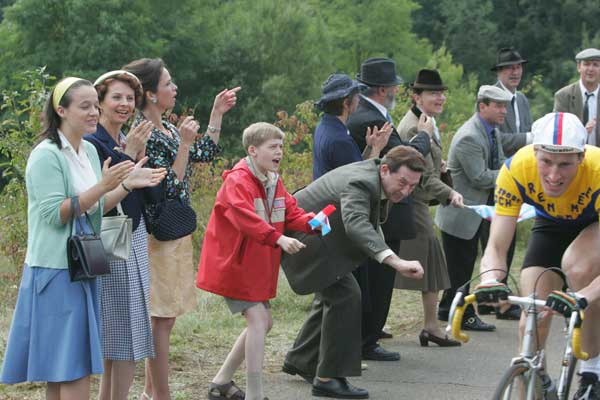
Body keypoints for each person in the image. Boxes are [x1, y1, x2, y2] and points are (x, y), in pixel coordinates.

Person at [0, 77, 165, 399]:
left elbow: (96, 208)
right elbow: (55, 214)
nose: (93, 112)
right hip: (55, 271)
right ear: (61, 110)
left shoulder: (88, 150)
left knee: (64, 367)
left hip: (84, 267)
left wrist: (128, 185)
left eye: (94, 105)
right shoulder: (46, 155)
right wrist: (102, 186)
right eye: (85, 106)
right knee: (71, 366)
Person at [123, 58, 240, 400]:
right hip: (155, 234)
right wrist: (185, 145)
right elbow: (165, 187)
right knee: (160, 317)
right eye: (168, 83)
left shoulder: (169, 129)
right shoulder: (144, 133)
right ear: (150, 93)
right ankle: (161, 394)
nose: (175, 89)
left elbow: (206, 152)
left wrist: (216, 114)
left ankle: (150, 391)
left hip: (175, 231)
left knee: (167, 317)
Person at [281, 145, 426, 399]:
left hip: (317, 236)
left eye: (412, 187)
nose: (405, 191)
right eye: (403, 182)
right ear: (385, 169)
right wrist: (396, 261)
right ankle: (328, 378)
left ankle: (302, 359)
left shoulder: (376, 178)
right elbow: (356, 223)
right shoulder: (361, 181)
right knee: (346, 296)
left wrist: (388, 256)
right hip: (304, 237)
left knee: (335, 296)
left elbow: (371, 223)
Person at [477, 112, 600, 399]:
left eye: (565, 164)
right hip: (550, 226)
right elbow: (496, 246)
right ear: (535, 153)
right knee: (532, 312)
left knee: (579, 268)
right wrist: (491, 279)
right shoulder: (517, 168)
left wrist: (585, 296)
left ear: (581, 158)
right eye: (546, 161)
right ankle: (534, 375)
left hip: (593, 223)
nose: (554, 175)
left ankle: (593, 370)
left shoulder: (597, 171)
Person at [197, 122, 316, 400]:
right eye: (273, 147)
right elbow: (245, 218)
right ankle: (254, 393)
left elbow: (291, 213)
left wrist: (315, 223)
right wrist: (278, 239)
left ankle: (221, 382)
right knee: (259, 320)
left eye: (282, 147)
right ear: (253, 150)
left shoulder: (274, 178)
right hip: (234, 265)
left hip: (256, 265)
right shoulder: (236, 181)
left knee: (263, 323)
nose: (280, 152)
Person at [347, 57, 432, 361]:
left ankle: (367, 338)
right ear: (384, 89)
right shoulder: (371, 118)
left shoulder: (368, 113)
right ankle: (367, 341)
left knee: (378, 280)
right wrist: (424, 134)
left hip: (384, 208)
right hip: (386, 209)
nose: (397, 88)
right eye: (394, 84)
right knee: (380, 280)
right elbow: (406, 158)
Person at [84, 70, 156, 400]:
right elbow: (101, 201)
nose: (125, 104)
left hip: (133, 234)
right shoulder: (92, 144)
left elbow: (146, 189)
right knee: (123, 330)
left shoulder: (124, 138)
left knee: (119, 329)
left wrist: (138, 154)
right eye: (117, 97)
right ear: (99, 102)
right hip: (110, 237)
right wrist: (131, 156)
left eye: (130, 98)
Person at [435, 85, 514, 331]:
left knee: (461, 266)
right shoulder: (470, 135)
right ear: (483, 106)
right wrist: (512, 174)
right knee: (461, 269)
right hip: (460, 214)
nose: (504, 111)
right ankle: (464, 315)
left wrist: (507, 169)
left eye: (505, 106)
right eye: (499, 106)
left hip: (474, 212)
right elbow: (479, 176)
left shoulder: (492, 131)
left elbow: (499, 162)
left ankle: (447, 308)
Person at [394, 69, 463, 347]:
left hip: (417, 203)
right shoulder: (413, 127)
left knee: (426, 263)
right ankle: (431, 327)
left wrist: (441, 165)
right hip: (412, 204)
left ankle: (430, 325)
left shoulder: (426, 122)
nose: (441, 97)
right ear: (416, 97)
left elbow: (429, 167)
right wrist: (451, 193)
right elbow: (420, 176)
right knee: (425, 263)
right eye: (434, 93)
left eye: (442, 92)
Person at [312, 73, 390, 180]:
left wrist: (370, 147)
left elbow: (354, 165)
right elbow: (360, 179)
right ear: (346, 103)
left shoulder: (323, 126)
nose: (359, 100)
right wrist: (377, 148)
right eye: (356, 96)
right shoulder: (340, 140)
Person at [554, 48, 600, 145]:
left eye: (595, 65)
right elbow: (558, 133)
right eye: (586, 64)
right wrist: (582, 132)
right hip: (572, 156)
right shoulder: (563, 96)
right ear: (579, 67)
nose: (591, 69)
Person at [492, 47, 533, 157]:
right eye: (510, 68)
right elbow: (494, 138)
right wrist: (528, 138)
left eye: (518, 67)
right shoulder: (490, 98)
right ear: (499, 71)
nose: (515, 72)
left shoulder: (522, 99)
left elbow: (530, 129)